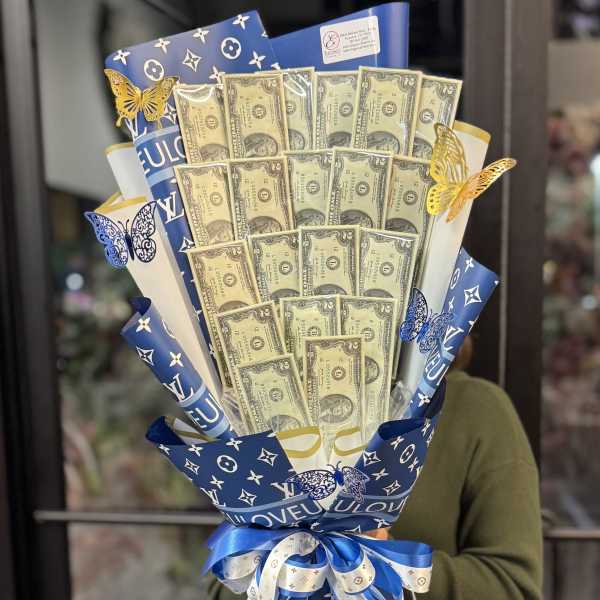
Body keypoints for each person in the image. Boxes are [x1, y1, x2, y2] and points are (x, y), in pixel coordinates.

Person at [206, 342, 543, 600]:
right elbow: (221, 580)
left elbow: (513, 586)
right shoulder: (275, 410)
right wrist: (278, 564)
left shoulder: (477, 409)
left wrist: (379, 563)